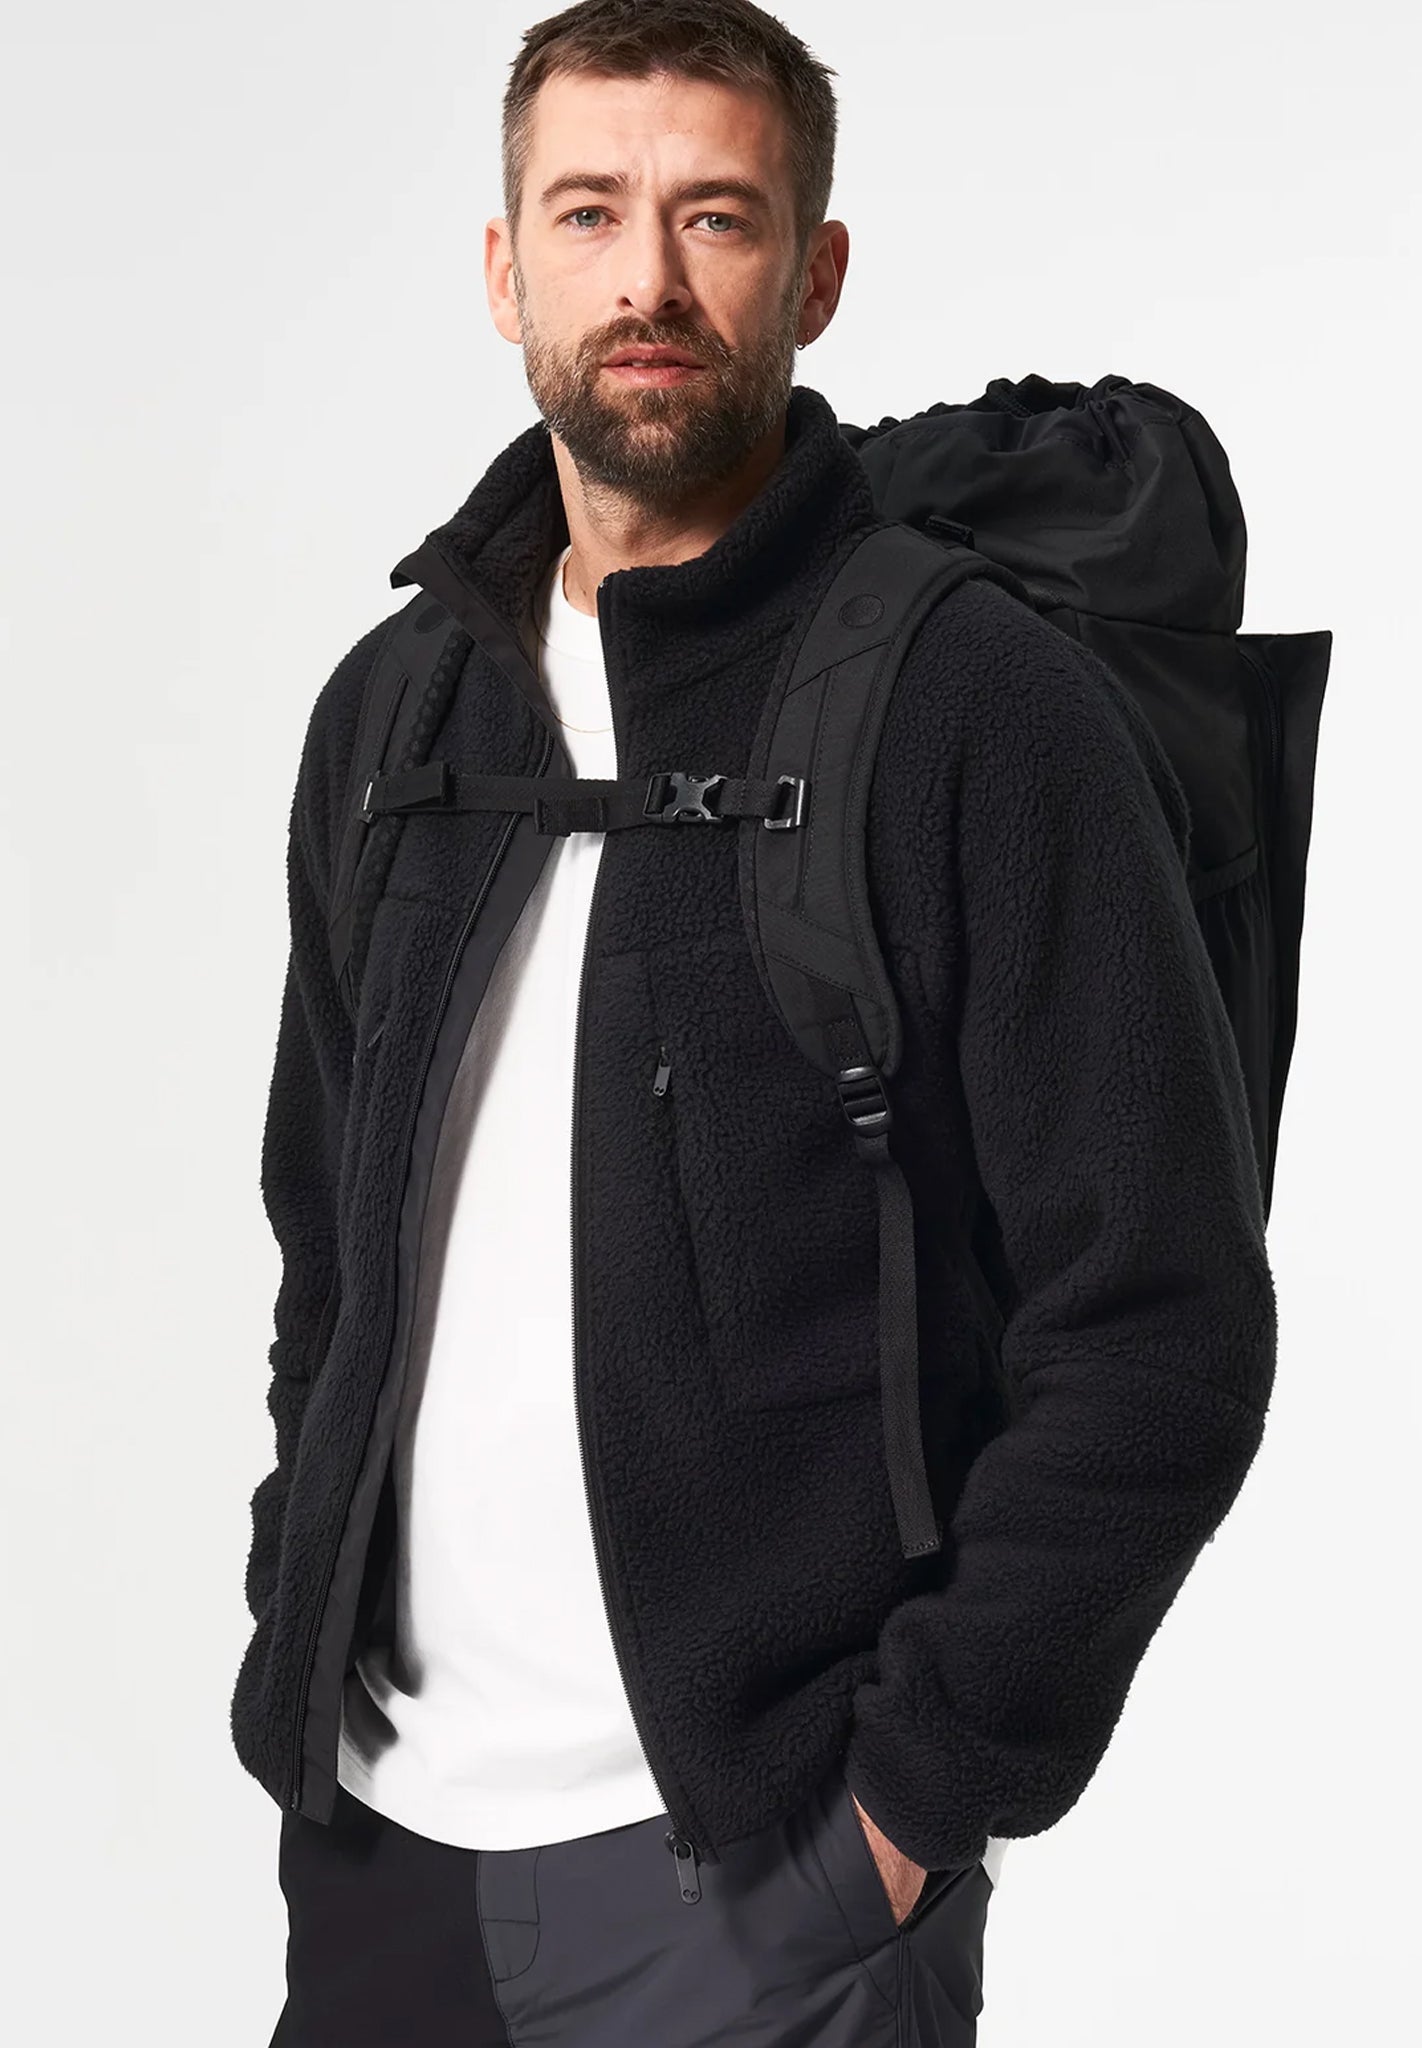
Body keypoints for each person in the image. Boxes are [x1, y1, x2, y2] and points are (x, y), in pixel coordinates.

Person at [237, 4, 1277, 2043]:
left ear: (814, 274)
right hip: (376, 1857)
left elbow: (1159, 1323)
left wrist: (906, 1806)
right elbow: (324, 1252)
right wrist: (298, 1614)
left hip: (762, 1875)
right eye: (588, 212)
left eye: (715, 216)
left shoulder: (974, 701)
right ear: (504, 267)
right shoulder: (395, 712)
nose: (646, 277)